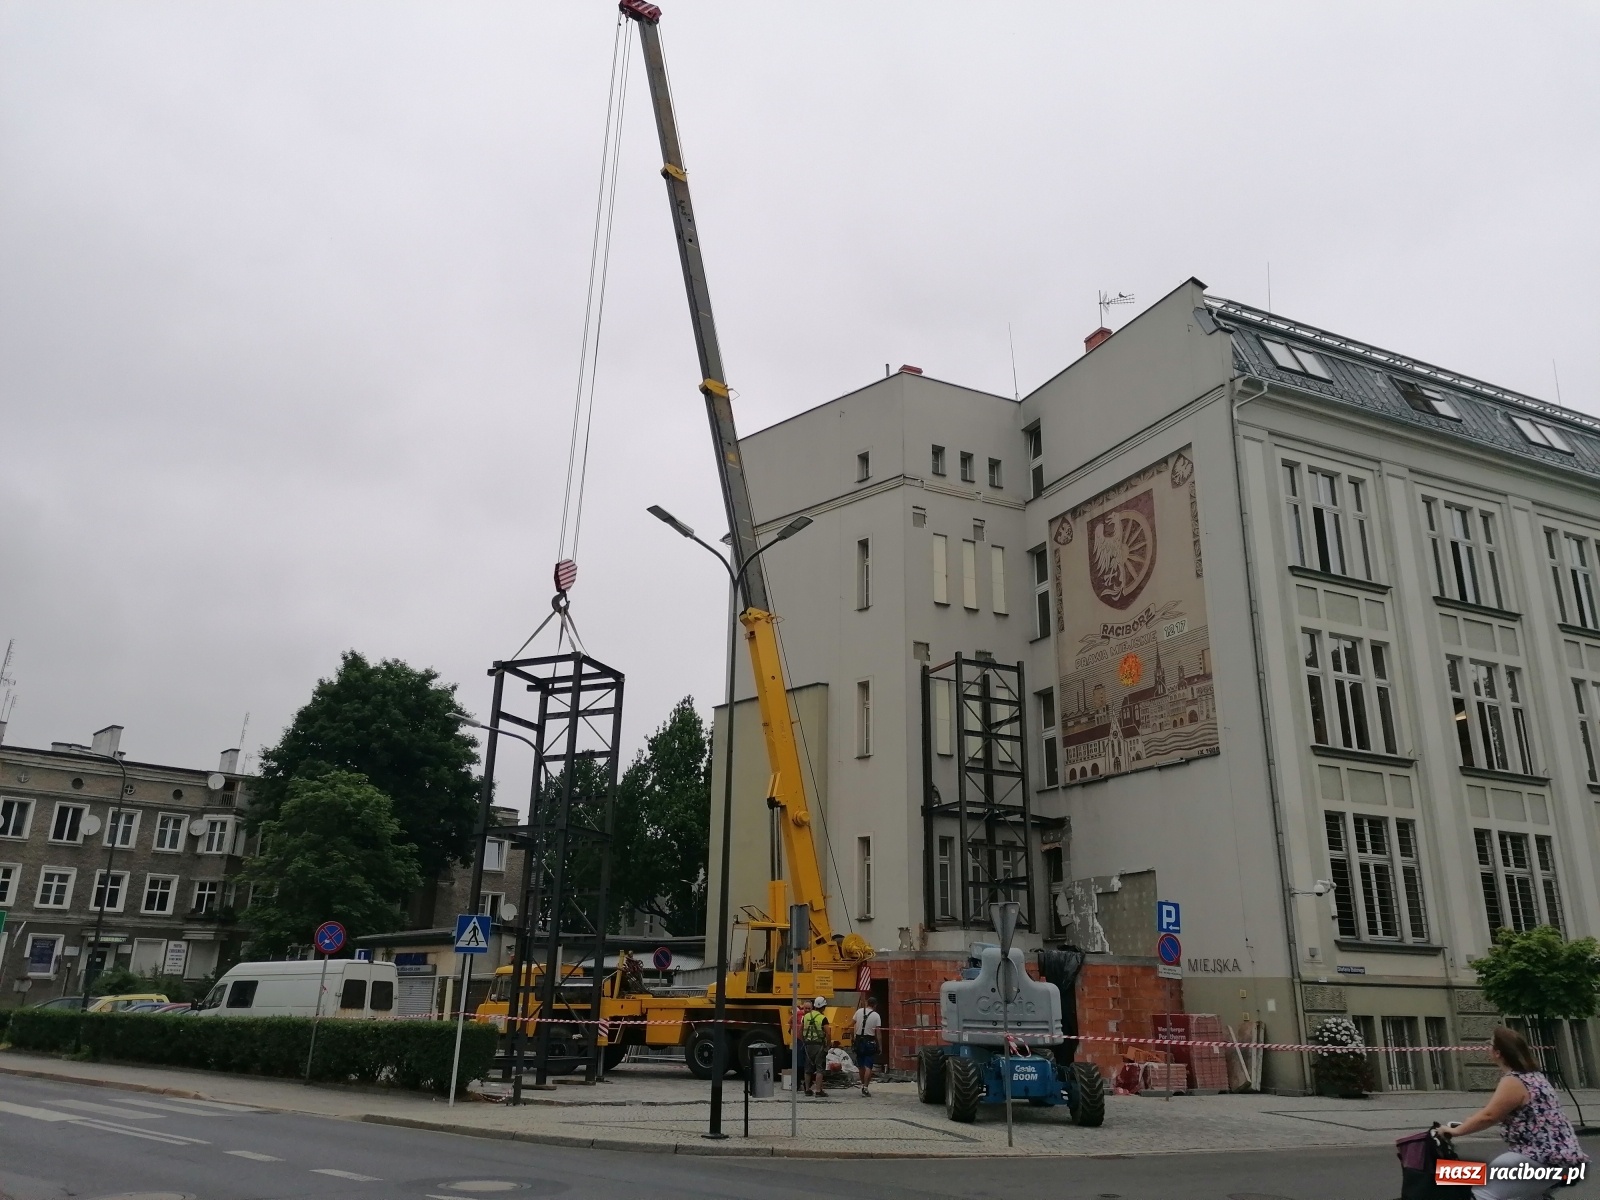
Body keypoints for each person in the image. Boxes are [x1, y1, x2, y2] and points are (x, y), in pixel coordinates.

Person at [1442, 1026, 1588, 1199]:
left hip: (1539, 1158)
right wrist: (1470, 1121)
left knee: (1480, 1192)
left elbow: (1489, 1117)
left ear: (1498, 1053)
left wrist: (1455, 1131)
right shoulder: (1535, 1076)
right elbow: (1496, 1110)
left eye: (1490, 1044)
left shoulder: (1514, 1080)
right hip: (1564, 1158)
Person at [852, 996, 882, 1097]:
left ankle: (862, 1084)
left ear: (867, 1003)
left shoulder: (859, 1011)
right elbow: (878, 1033)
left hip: (859, 1040)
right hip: (869, 1041)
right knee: (868, 1065)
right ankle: (865, 1086)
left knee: (861, 1065)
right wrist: (880, 1046)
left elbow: (852, 1023)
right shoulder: (876, 1016)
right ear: (875, 1005)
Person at [801, 996, 831, 1098]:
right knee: (819, 1068)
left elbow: (801, 1030)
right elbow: (828, 1033)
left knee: (808, 1068)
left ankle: (807, 1090)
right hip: (819, 1045)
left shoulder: (806, 1017)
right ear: (823, 1007)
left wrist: (804, 1041)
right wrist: (828, 1045)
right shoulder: (823, 1018)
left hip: (808, 1045)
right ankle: (818, 1091)